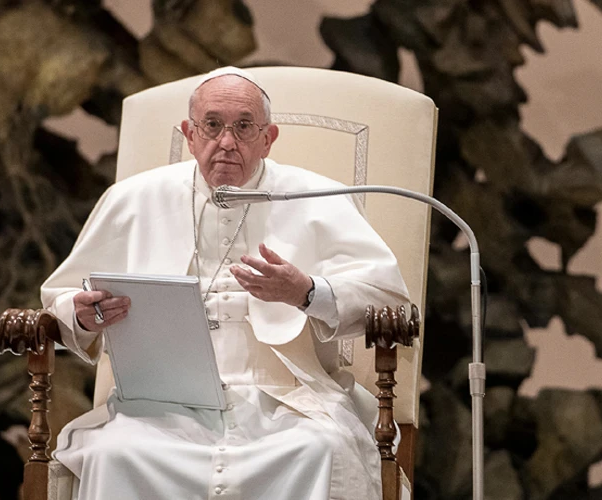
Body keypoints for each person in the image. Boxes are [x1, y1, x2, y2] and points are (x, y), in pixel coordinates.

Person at [41, 66, 410, 500]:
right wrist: (82, 315)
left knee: (321, 450)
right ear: (189, 134)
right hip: (158, 407)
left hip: (287, 401)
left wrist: (308, 292)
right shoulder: (132, 199)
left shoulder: (317, 198)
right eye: (212, 125)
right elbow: (61, 300)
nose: (227, 142)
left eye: (244, 127)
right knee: (115, 454)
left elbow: (391, 302)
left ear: (269, 138)